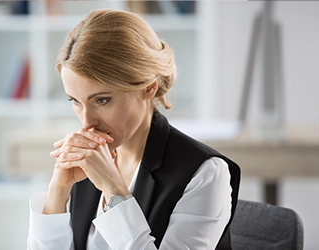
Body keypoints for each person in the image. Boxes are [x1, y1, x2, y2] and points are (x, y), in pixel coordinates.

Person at [26, 9, 240, 250]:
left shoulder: (204, 173)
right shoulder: (87, 160)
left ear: (149, 87)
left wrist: (115, 191)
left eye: (102, 100)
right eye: (75, 101)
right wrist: (58, 192)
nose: (86, 122)